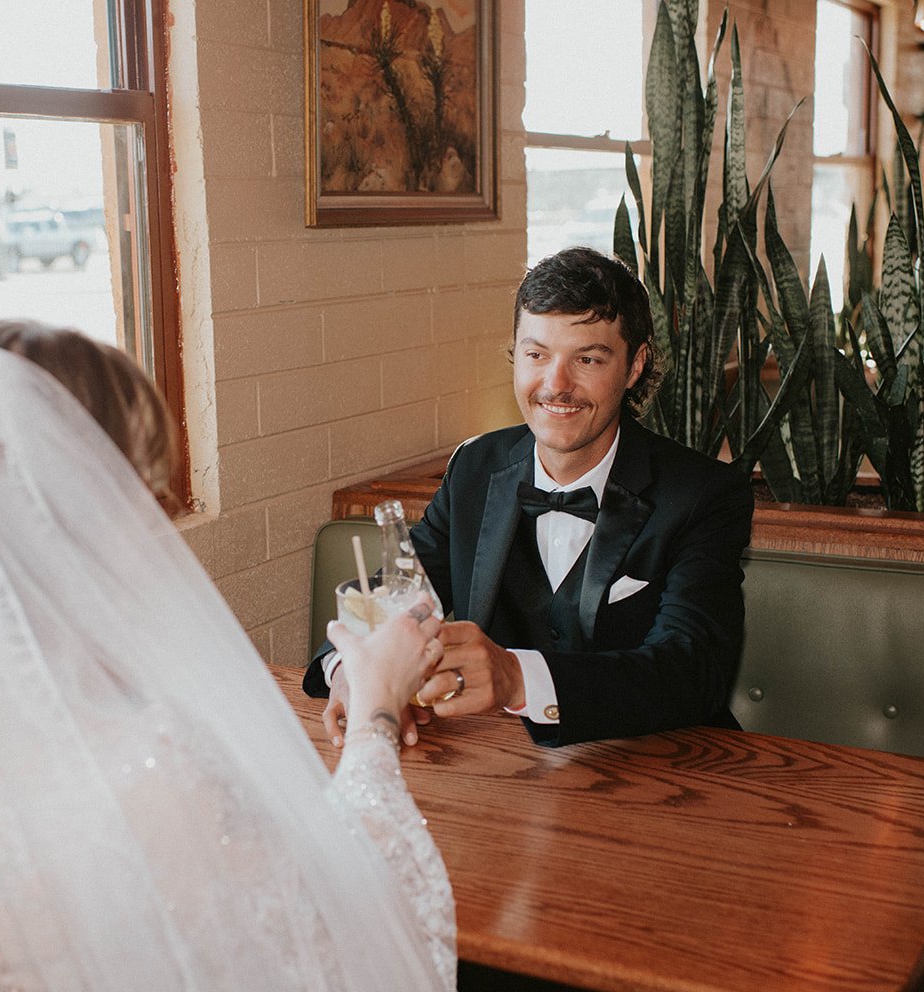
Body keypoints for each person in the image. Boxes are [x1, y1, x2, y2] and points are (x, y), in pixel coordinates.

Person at [0, 320, 476, 992]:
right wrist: (376, 708)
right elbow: (337, 960)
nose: (154, 517)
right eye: (134, 486)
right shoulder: (134, 765)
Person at [307, 247, 753, 747]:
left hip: (669, 768)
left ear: (634, 366)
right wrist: (349, 668)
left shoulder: (704, 493)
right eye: (536, 354)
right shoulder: (475, 468)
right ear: (515, 356)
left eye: (587, 359)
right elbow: (394, 595)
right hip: (506, 767)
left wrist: (517, 678)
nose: (555, 385)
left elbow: (693, 671)